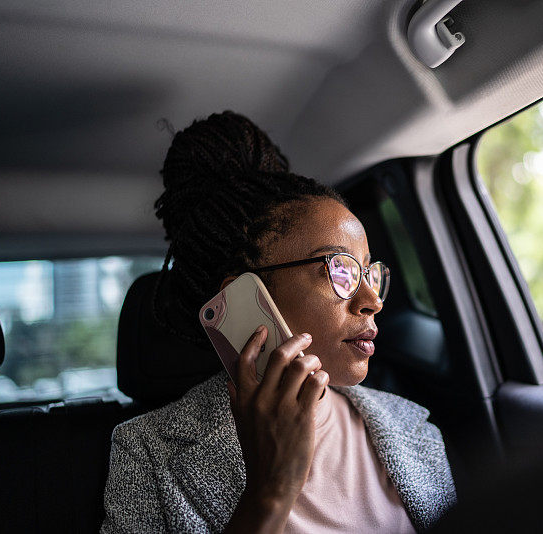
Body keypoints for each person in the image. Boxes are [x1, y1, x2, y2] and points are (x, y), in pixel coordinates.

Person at [100, 111, 457, 533]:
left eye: (368, 273)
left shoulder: (414, 429)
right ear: (244, 296)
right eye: (339, 270)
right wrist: (271, 491)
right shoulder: (147, 453)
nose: (372, 301)